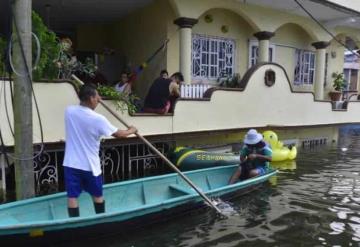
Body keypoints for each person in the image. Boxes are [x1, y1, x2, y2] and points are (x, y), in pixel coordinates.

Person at [63, 84, 137, 217]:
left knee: (72, 196)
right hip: (90, 166)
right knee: (97, 194)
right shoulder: (98, 119)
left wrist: (93, 95)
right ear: (91, 98)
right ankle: (101, 218)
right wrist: (132, 130)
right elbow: (119, 134)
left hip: (71, 163)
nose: (99, 99)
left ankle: (74, 223)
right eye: (97, 96)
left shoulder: (69, 111)